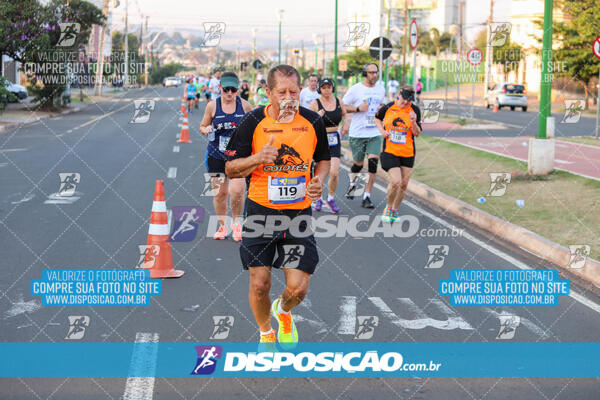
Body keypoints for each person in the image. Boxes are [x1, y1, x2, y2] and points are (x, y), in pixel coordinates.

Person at [225, 64, 330, 347]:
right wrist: (257, 158)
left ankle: (283, 312)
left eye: (293, 92)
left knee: (298, 288)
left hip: (298, 216)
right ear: (268, 92)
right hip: (260, 213)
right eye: (281, 91)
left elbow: (323, 159)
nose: (288, 98)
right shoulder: (251, 122)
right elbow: (231, 169)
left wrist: (318, 180)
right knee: (260, 284)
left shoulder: (312, 121)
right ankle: (266, 333)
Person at [200, 72, 253, 241]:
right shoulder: (212, 106)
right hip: (216, 154)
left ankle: (237, 224)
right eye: (226, 89)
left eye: (233, 90)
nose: (230, 93)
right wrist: (206, 130)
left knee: (237, 191)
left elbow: (255, 126)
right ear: (220, 88)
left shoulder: (245, 106)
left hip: (237, 156)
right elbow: (203, 125)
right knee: (220, 194)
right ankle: (223, 226)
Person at [374, 85, 422, 222]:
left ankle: (394, 209)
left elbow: (417, 134)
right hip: (390, 151)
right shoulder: (388, 107)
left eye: (409, 99)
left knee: (404, 185)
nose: (406, 102)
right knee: (396, 181)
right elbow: (377, 118)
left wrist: (413, 122)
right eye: (404, 98)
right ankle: (388, 207)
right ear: (399, 94)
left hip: (407, 152)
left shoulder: (414, 110)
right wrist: (382, 131)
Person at [342, 62, 386, 209]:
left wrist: (381, 109)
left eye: (376, 72)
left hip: (374, 132)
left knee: (373, 163)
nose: (374, 75)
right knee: (358, 164)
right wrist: (358, 108)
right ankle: (352, 183)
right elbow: (342, 107)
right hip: (357, 133)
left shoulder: (381, 89)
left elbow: (382, 107)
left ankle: (367, 196)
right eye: (371, 72)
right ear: (365, 74)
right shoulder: (355, 89)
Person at [309, 78, 346, 213]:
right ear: (320, 89)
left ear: (332, 88)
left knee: (334, 172)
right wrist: (317, 116)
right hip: (320, 139)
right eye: (324, 87)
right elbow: (308, 123)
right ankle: (318, 198)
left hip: (334, 138)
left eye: (329, 87)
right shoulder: (315, 103)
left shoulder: (338, 102)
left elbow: (345, 115)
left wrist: (345, 125)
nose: (326, 90)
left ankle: (330, 198)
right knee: (319, 173)